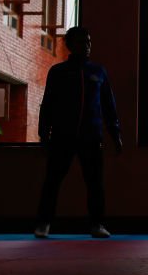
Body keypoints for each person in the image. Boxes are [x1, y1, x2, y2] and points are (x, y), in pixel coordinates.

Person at [34, 26, 123, 239]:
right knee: (52, 181)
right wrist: (43, 133)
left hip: (91, 136)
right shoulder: (58, 72)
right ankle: (43, 223)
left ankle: (97, 224)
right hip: (62, 136)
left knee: (95, 182)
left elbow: (109, 105)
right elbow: (48, 104)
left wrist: (115, 134)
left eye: (89, 41)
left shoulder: (98, 72)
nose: (88, 45)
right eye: (83, 42)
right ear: (71, 45)